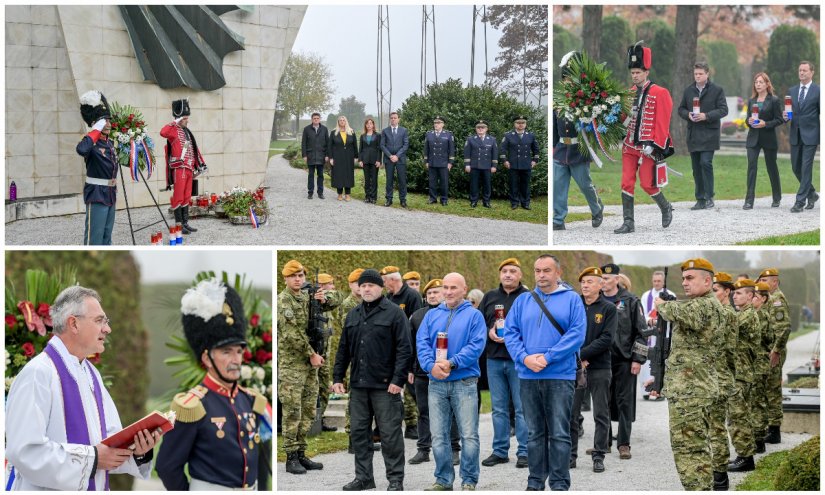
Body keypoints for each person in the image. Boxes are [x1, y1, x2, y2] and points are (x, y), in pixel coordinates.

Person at [6, 286, 158, 490]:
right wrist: (92, 458)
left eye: (106, 322)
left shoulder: (91, 374)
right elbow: (25, 451)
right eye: (99, 321)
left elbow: (108, 443)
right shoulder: (38, 373)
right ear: (74, 323)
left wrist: (139, 450)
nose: (107, 329)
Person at [156, 279, 269, 490]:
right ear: (207, 358)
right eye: (226, 352)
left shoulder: (250, 400)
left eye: (238, 351)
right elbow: (167, 465)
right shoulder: (191, 406)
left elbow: (258, 462)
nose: (236, 359)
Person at [504, 254, 586, 491]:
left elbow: (576, 335)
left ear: (558, 273)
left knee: (559, 434)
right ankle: (535, 482)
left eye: (546, 270)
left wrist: (549, 356)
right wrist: (524, 357)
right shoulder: (523, 300)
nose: (541, 275)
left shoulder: (572, 299)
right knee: (534, 433)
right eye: (537, 270)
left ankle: (559, 483)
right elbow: (510, 332)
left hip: (559, 375)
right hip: (528, 375)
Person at [333, 269, 412, 491]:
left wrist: (398, 380)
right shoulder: (353, 315)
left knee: (390, 435)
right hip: (359, 386)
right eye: (363, 285)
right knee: (358, 433)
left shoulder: (395, 314)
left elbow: (405, 349)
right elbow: (343, 350)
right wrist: (338, 376)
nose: (366, 289)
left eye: (371, 285)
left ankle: (395, 479)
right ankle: (364, 478)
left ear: (381, 288)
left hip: (386, 386)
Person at [653, 258, 725, 491]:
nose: (684, 282)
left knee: (689, 449)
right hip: (693, 388)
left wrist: (662, 304)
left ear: (707, 280)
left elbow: (686, 314)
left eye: (690, 278)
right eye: (683, 278)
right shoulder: (703, 304)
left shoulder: (705, 305)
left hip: (692, 390)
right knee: (695, 446)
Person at [417, 273, 487, 491]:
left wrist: (452, 363)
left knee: (469, 435)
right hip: (436, 383)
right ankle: (444, 479)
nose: (448, 292)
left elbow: (476, 346)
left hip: (464, 382)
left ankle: (468, 479)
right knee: (438, 436)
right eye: (445, 287)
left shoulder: (474, 316)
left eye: (453, 288)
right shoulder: (431, 316)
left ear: (464, 289)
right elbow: (422, 344)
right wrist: (431, 366)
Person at [278, 260, 342, 475]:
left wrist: (325, 297)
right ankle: (290, 456)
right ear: (285, 278)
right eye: (293, 275)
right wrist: (312, 354)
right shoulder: (283, 301)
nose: (298, 279)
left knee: (307, 411)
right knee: (292, 411)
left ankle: (302, 452)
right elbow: (291, 334)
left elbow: (337, 299)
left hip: (309, 366)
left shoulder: (308, 296)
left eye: (301, 275)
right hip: (292, 366)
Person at [616, 41, 674, 234]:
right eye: (632, 73)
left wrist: (654, 144)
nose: (635, 76)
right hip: (630, 146)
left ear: (646, 72)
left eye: (638, 72)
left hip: (648, 146)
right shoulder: (629, 93)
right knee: (626, 182)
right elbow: (624, 118)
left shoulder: (660, 92)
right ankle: (628, 222)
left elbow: (663, 122)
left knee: (647, 183)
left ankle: (665, 207)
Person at [479, 258, 530, 469]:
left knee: (521, 408)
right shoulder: (490, 297)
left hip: (519, 360)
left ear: (520, 275)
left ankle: (525, 451)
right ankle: (500, 451)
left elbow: (532, 326)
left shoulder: (528, 297)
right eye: (505, 271)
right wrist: (489, 332)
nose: (508, 274)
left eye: (513, 271)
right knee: (499, 409)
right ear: (500, 275)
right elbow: (479, 323)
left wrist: (513, 336)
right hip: (494, 359)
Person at [409, 279, 462, 466]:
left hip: (448, 371)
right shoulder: (416, 316)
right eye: (429, 293)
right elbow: (411, 346)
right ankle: (423, 449)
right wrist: (410, 368)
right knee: (423, 411)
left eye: (436, 292)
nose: (432, 295)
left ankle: (454, 448)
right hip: (423, 373)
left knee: (452, 411)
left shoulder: (453, 314)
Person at [570, 267, 615, 473]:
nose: (585, 285)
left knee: (600, 413)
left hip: (599, 367)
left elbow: (607, 339)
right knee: (571, 413)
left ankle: (598, 454)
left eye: (590, 281)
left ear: (600, 285)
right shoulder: (573, 304)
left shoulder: (608, 308)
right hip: (573, 367)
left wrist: (584, 355)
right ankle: (570, 455)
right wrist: (578, 358)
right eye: (583, 282)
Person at [600, 264, 646, 459]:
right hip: (601, 360)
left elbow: (642, 333)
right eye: (601, 279)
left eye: (607, 279)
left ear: (617, 280)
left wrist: (638, 359)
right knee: (603, 402)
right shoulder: (594, 300)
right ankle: (604, 442)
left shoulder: (631, 300)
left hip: (625, 360)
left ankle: (624, 444)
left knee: (624, 402)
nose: (603, 282)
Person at [677, 62, 728, 210]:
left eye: (700, 74)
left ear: (707, 74)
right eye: (695, 74)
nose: (697, 76)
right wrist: (688, 115)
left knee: (706, 163)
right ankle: (700, 198)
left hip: (709, 134)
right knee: (696, 168)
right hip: (694, 134)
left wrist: (706, 115)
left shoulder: (717, 90)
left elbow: (723, 110)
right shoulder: (688, 91)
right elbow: (681, 109)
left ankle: (709, 196)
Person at [381, 266, 422, 438]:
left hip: (409, 348)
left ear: (393, 280)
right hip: (393, 349)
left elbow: (417, 322)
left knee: (411, 390)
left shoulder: (412, 296)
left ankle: (415, 424)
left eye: (384, 282)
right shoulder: (389, 297)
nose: (383, 286)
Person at [708, 272, 739, 490]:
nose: (712, 294)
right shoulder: (719, 311)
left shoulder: (726, 314)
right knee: (712, 426)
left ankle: (720, 477)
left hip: (719, 377)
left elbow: (727, 352)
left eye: (716, 290)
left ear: (727, 292)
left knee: (716, 428)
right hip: (713, 376)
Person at [77, 90, 119, 245]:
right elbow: (81, 149)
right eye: (104, 121)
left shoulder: (108, 143)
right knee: (94, 239)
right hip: (96, 194)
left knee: (107, 238)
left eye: (108, 120)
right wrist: (95, 129)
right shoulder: (91, 143)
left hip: (110, 194)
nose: (108, 124)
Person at [727, 279, 759, 473]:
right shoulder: (742, 314)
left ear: (750, 296)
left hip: (741, 374)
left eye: (739, 293)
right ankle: (743, 455)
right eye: (735, 293)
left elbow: (728, 328)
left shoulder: (747, 316)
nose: (735, 295)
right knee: (739, 416)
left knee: (738, 417)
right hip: (739, 373)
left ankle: (745, 458)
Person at [756, 268, 791, 444]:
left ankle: (774, 430)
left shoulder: (777, 300)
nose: (761, 283)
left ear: (775, 282)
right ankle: (771, 428)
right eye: (760, 280)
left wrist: (776, 351)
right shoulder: (770, 298)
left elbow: (784, 327)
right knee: (768, 389)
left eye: (765, 280)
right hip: (770, 349)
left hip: (773, 351)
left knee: (772, 390)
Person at [161, 98, 206, 235]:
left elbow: (193, 149)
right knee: (178, 196)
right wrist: (174, 122)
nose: (188, 121)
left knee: (187, 196)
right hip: (179, 168)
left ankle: (185, 223)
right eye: (185, 118)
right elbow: (163, 132)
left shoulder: (187, 132)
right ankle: (179, 225)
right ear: (179, 118)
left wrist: (200, 165)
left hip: (189, 169)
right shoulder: (173, 130)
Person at [742, 72, 784, 209]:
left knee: (771, 167)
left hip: (768, 138)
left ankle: (777, 197)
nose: (758, 84)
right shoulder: (751, 101)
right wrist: (748, 121)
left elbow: (779, 119)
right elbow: (748, 120)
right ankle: (749, 200)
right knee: (752, 167)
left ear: (767, 84)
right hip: (753, 139)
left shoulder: (774, 100)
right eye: (756, 82)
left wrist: (765, 124)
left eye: (761, 82)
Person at [784, 61, 820, 212]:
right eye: (800, 70)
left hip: (811, 135)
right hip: (795, 134)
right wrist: (785, 115)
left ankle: (800, 201)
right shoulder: (792, 91)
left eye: (805, 70)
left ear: (812, 72)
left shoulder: (818, 91)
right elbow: (788, 111)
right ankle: (811, 193)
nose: (802, 73)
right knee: (795, 167)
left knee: (806, 168)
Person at [639, 271, 675, 399]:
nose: (656, 283)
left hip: (663, 332)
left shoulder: (670, 295)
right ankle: (646, 390)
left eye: (659, 281)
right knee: (646, 359)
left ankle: (659, 388)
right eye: (654, 281)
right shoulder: (646, 295)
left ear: (663, 281)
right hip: (650, 329)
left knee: (660, 360)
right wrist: (650, 320)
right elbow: (642, 313)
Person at [500, 115, 541, 210]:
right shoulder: (508, 135)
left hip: (526, 164)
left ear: (525, 124)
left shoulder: (531, 135)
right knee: (513, 184)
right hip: (512, 164)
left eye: (523, 123)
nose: (520, 125)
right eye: (518, 123)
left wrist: (535, 161)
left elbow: (536, 150)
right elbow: (503, 150)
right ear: (514, 124)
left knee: (525, 185)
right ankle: (514, 202)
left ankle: (525, 203)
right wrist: (505, 161)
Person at [316, 273, 339, 431]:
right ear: (322, 286)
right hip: (315, 353)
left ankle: (321, 419)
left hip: (325, 354)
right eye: (330, 284)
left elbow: (336, 297)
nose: (333, 287)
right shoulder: (313, 303)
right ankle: (312, 420)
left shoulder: (328, 303)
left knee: (324, 388)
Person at [463, 120, 498, 208]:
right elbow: (467, 153)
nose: (480, 129)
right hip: (474, 165)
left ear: (487, 129)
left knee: (487, 184)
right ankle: (473, 201)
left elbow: (495, 154)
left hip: (487, 166)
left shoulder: (492, 139)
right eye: (478, 127)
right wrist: (467, 164)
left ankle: (486, 201)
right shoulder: (470, 139)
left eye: (483, 127)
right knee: (474, 184)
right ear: (476, 129)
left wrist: (494, 166)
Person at [424, 116, 456, 205]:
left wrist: (450, 162)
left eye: (438, 123)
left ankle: (444, 199)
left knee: (444, 183)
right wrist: (426, 161)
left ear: (443, 124)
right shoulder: (429, 134)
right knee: (432, 182)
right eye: (435, 123)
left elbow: (452, 150)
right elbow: (426, 149)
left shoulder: (448, 134)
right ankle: (432, 198)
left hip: (444, 163)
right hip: (432, 162)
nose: (436, 125)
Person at [381, 112, 410, 208]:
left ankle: (403, 200)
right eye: (392, 118)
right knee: (389, 180)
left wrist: (397, 156)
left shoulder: (404, 130)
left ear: (398, 119)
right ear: (390, 119)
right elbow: (382, 145)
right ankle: (389, 199)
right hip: (389, 159)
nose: (393, 119)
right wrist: (390, 156)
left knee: (402, 180)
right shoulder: (385, 131)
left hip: (400, 159)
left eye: (395, 118)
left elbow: (405, 145)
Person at [329, 116, 359, 201]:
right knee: (339, 174)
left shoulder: (351, 132)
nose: (342, 122)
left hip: (349, 157)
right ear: (338, 122)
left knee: (348, 174)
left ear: (346, 122)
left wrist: (356, 157)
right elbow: (329, 146)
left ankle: (347, 194)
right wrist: (331, 158)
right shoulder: (333, 132)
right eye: (340, 120)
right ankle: (339, 194)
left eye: (343, 120)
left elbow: (355, 145)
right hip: (337, 157)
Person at [302, 112, 329, 200]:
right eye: (314, 118)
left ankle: (320, 193)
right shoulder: (306, 129)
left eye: (317, 118)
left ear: (320, 119)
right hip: (310, 156)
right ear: (312, 119)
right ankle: (310, 193)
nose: (316, 120)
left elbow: (328, 143)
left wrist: (327, 155)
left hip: (321, 156)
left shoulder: (324, 129)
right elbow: (304, 143)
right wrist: (304, 155)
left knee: (320, 175)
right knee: (310, 175)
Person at [358, 119, 382, 204]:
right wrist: (360, 160)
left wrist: (379, 160)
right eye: (367, 124)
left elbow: (380, 149)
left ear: (373, 125)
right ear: (365, 125)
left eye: (370, 123)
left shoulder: (378, 135)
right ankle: (367, 196)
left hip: (375, 160)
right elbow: (360, 149)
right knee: (367, 179)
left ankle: (373, 197)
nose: (369, 125)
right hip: (365, 160)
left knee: (374, 179)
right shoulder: (362, 136)